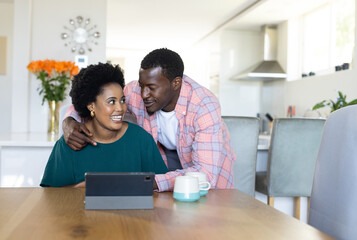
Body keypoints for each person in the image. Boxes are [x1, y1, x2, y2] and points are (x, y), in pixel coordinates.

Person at [63, 48, 235, 191]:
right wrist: (69, 121)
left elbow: (204, 174)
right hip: (164, 161)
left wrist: (139, 182)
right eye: (142, 85)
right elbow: (97, 100)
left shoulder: (204, 106)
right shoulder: (136, 91)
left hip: (207, 173)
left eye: (151, 88)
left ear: (175, 84)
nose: (144, 94)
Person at [40, 63, 168, 187]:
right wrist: (82, 188)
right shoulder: (70, 142)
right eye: (111, 102)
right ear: (91, 106)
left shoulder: (142, 139)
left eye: (122, 100)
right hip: (78, 209)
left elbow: (160, 189)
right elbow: (51, 195)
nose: (120, 108)